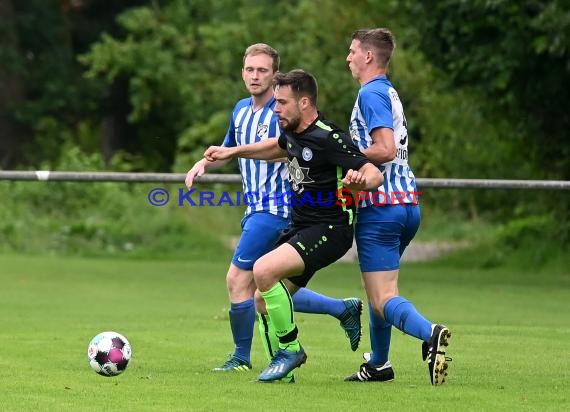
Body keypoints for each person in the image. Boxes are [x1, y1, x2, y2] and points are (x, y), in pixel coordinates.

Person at [185, 44, 363, 376]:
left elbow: (294, 149)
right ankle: (339, 311)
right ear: (242, 72)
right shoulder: (240, 109)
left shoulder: (284, 114)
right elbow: (229, 147)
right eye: (250, 69)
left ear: (274, 74)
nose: (255, 76)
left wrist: (358, 178)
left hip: (279, 209)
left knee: (240, 278)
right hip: (256, 209)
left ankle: (242, 357)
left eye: (262, 70)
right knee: (268, 289)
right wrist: (204, 162)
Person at [343, 28, 452, 386]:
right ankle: (379, 363)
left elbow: (386, 148)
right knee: (379, 290)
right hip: (406, 204)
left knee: (382, 296)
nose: (349, 58)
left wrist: (343, 157)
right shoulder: (388, 91)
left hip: (381, 207)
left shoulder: (371, 93)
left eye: (353, 51)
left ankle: (430, 333)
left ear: (369, 57)